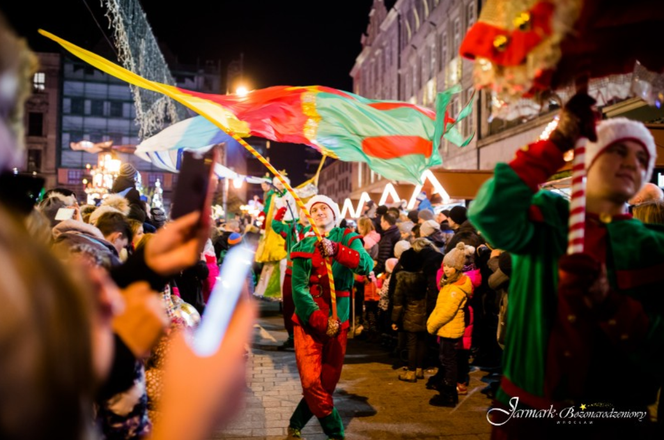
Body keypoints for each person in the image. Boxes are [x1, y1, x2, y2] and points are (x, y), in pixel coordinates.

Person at [468, 93, 664, 437]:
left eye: (643, 157)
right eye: (619, 150)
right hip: (527, 413)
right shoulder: (550, 217)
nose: (633, 162)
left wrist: (611, 306)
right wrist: (557, 141)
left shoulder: (652, 245)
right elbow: (490, 210)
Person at [287, 195, 373, 440]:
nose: (319, 211)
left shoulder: (348, 237)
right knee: (311, 382)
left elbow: (365, 266)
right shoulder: (301, 246)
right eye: (314, 209)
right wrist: (320, 321)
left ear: (334, 213)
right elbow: (299, 290)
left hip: (340, 321)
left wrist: (337, 250)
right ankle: (335, 431)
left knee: (326, 383)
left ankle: (295, 423)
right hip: (308, 323)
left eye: (324, 207)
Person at [426, 242, 473, 407]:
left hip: (450, 329)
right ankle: (447, 390)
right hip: (446, 329)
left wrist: (431, 325)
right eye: (445, 265)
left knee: (448, 361)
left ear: (458, 268)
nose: (446, 269)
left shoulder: (455, 289)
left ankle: (449, 394)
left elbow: (447, 311)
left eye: (450, 266)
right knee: (446, 359)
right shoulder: (450, 283)